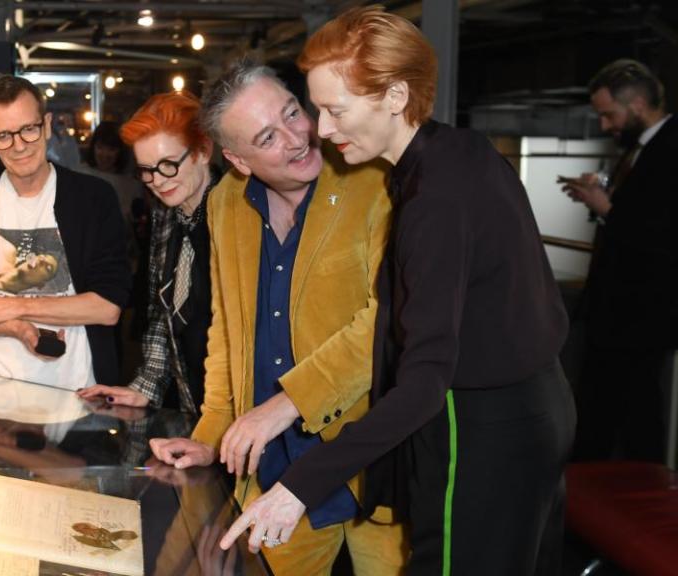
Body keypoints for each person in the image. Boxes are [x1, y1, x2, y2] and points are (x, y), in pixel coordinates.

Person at [220, 8, 574, 576]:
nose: (324, 129)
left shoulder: (434, 196)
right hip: (535, 412)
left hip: (479, 429)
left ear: (395, 95)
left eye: (336, 110)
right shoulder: (461, 154)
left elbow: (425, 384)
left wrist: (300, 486)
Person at [147, 61, 406, 575]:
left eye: (293, 113)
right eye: (267, 137)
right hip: (277, 466)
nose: (296, 139)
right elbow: (228, 332)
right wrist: (212, 433)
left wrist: (289, 403)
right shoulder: (225, 203)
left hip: (375, 457)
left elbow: (389, 321)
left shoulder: (375, 179)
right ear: (237, 160)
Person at [0, 74, 131, 393]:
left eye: (28, 129)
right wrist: (16, 328)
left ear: (46, 125)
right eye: (3, 135)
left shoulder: (93, 199)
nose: (19, 146)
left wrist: (13, 306)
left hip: (81, 394)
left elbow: (107, 307)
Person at [559, 59, 677, 461]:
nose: (606, 126)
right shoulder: (639, 150)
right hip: (616, 314)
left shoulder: (670, 147)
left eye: (610, 115)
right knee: (599, 413)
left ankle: (635, 505)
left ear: (639, 103)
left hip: (643, 317)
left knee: (638, 420)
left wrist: (607, 208)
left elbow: (662, 231)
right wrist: (601, 200)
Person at [78, 92, 218, 414]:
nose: (156, 181)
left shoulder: (239, 212)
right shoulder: (166, 212)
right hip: (187, 403)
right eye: (146, 170)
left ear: (202, 151)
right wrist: (146, 386)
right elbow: (162, 315)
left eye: (168, 165)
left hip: (237, 412)